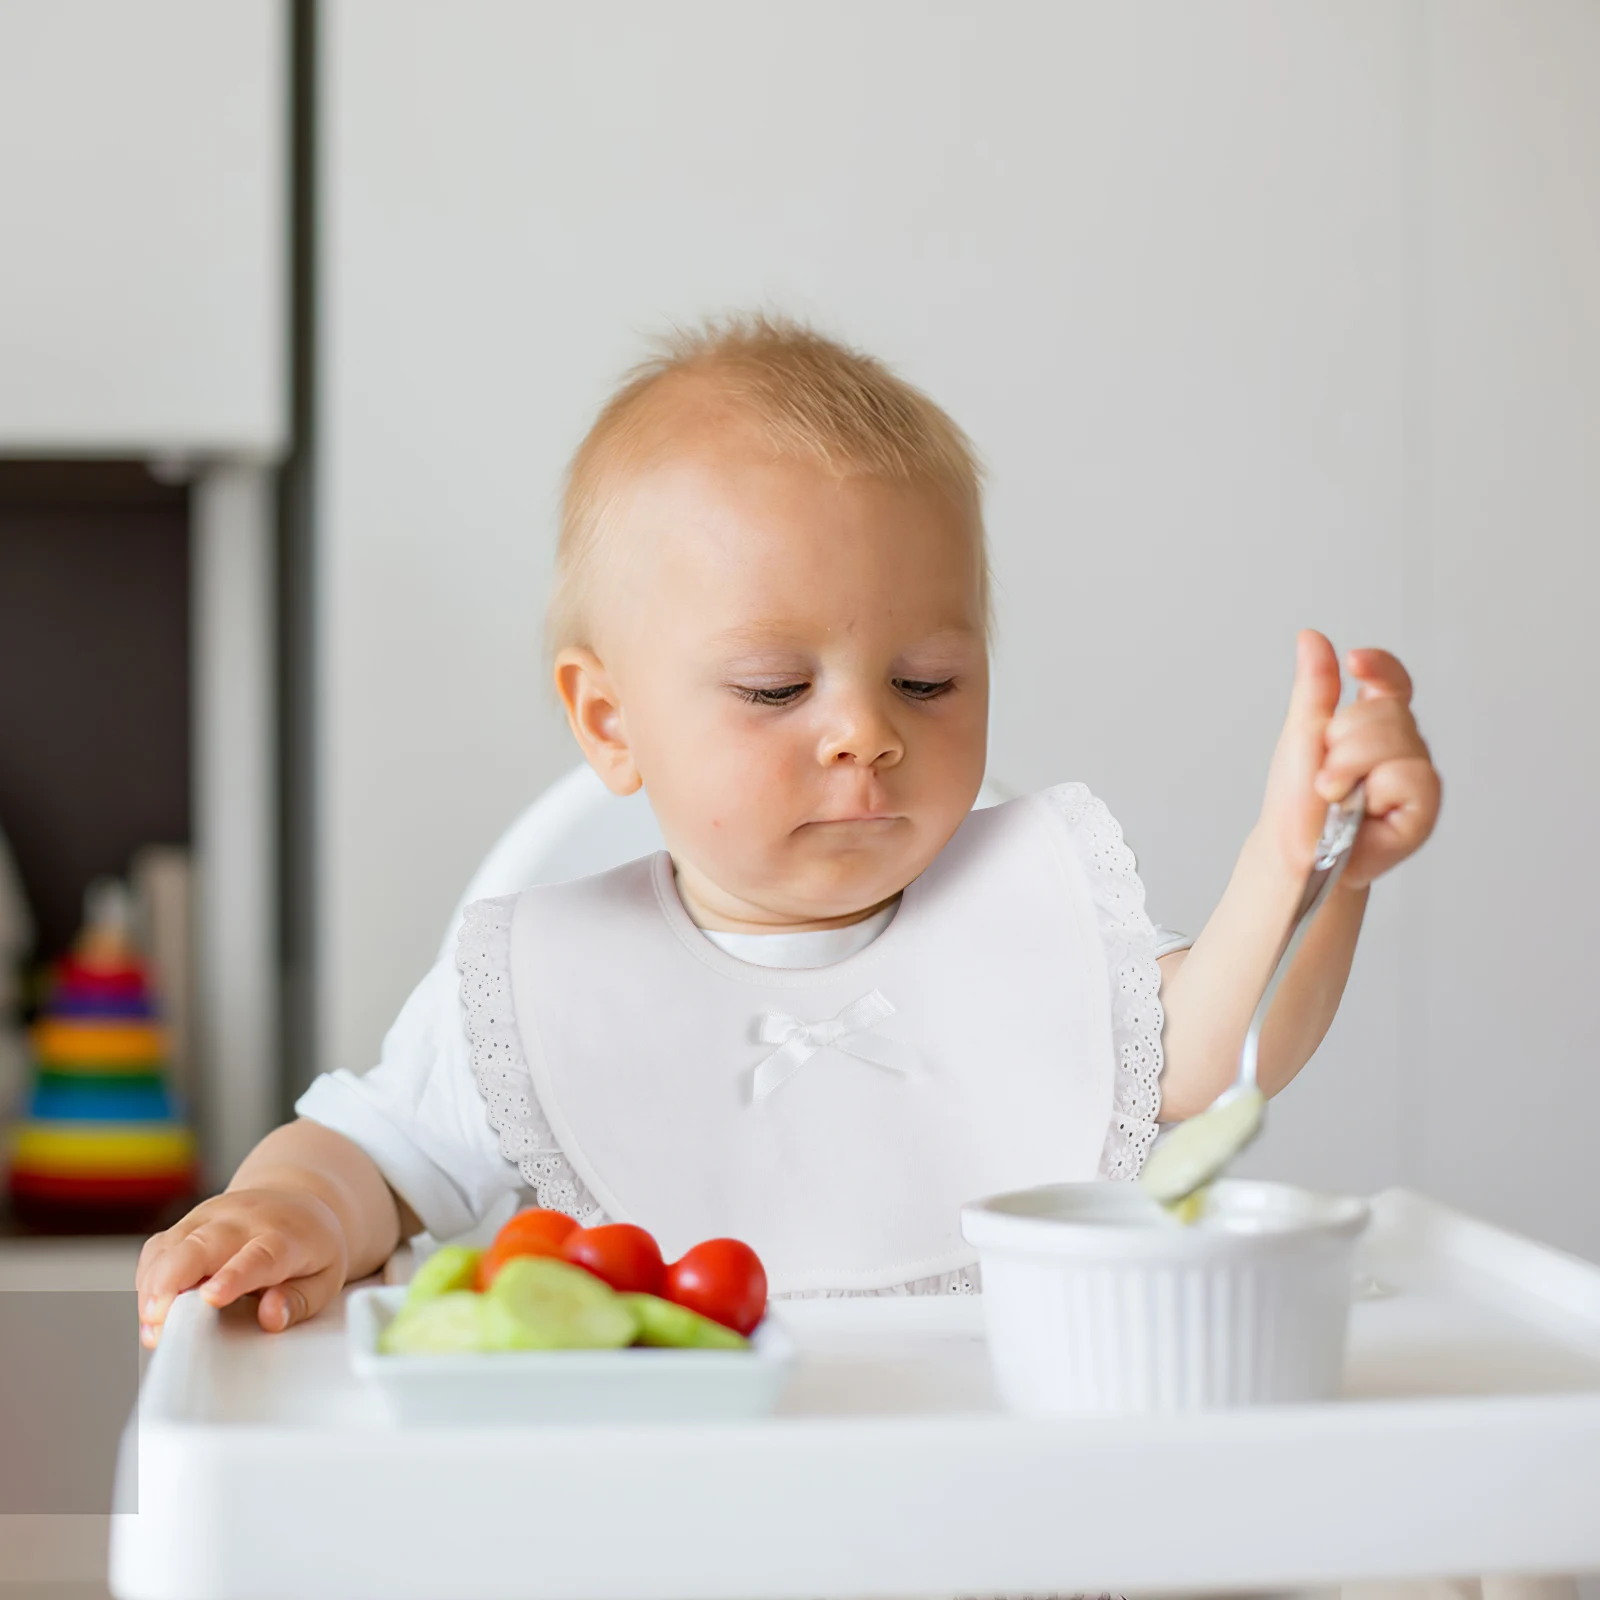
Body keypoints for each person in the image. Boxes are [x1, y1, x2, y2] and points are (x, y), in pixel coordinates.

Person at [135, 314, 1440, 1343]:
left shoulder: (1031, 920)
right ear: (610, 721)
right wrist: (280, 1210)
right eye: (774, 689)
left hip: (1009, 1526)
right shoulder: (541, 983)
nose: (865, 732)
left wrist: (1311, 859)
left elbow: (1215, 1047)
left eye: (927, 679)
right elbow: (375, 1152)